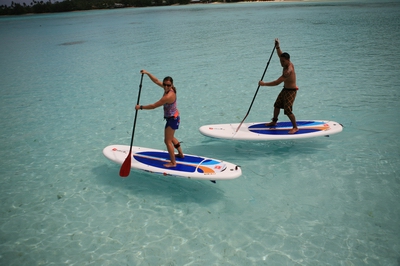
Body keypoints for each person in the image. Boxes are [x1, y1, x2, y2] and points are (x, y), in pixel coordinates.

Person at [135, 69, 184, 168]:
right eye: (165, 84)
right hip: (174, 117)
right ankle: (180, 154)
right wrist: (148, 73)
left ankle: (173, 163)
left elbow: (153, 106)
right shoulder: (170, 89)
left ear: (172, 85)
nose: (166, 87)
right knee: (171, 137)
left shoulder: (168, 95)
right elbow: (157, 81)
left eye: (168, 85)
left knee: (167, 141)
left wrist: (140, 107)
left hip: (172, 119)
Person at [258, 38, 299, 134]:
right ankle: (274, 121)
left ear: (288, 60)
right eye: (281, 61)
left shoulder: (288, 71)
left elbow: (276, 83)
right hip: (285, 89)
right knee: (277, 105)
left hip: (291, 91)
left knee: (288, 111)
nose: (281, 63)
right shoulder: (287, 62)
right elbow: (280, 55)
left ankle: (295, 127)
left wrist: (264, 84)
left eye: (283, 62)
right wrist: (277, 47)